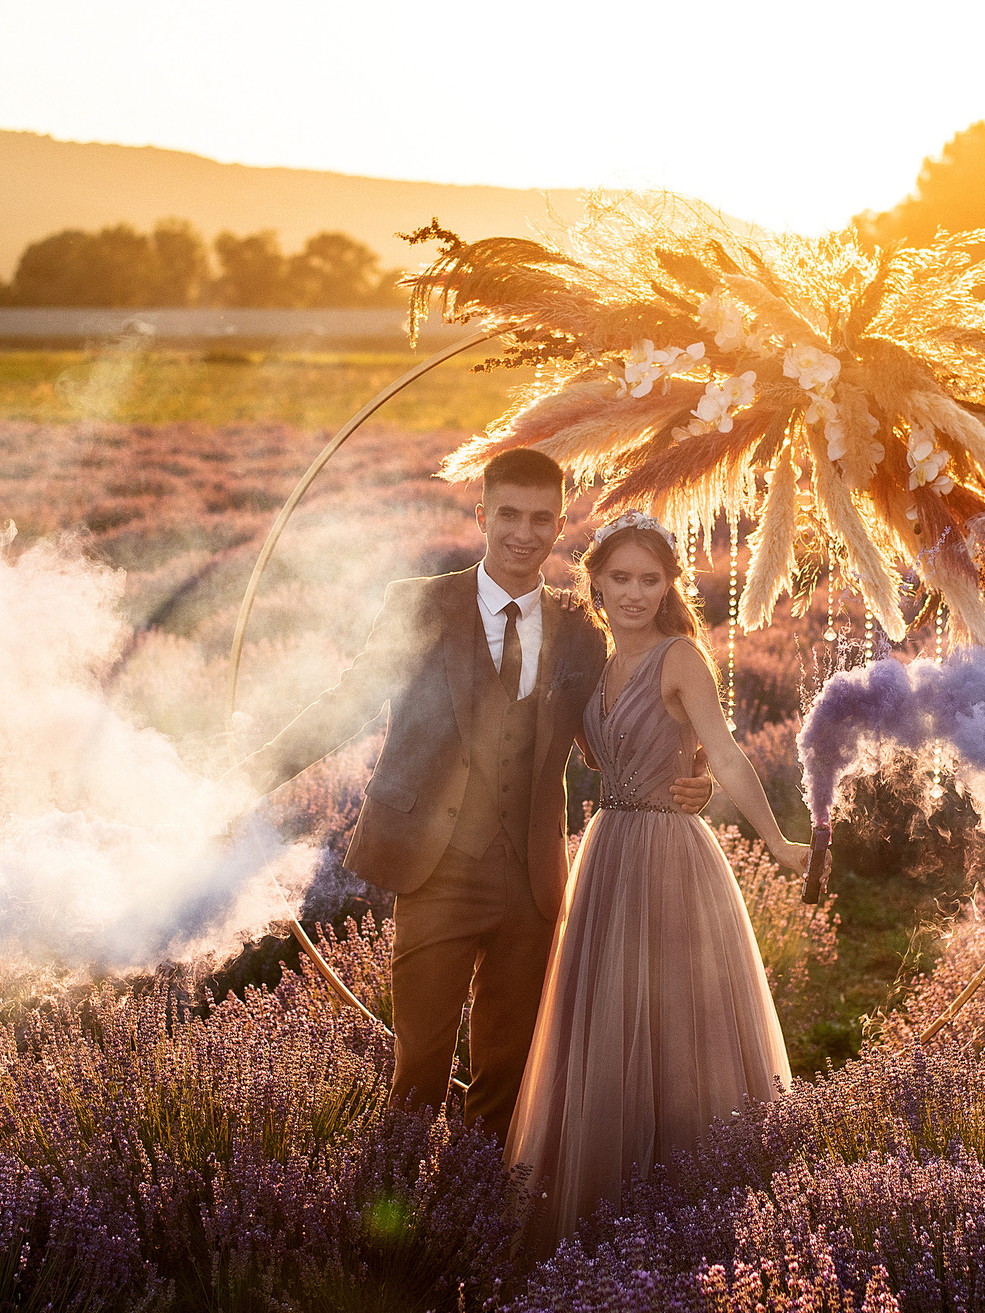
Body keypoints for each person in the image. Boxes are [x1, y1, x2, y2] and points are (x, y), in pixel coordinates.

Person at [239, 449, 712, 1139]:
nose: (525, 532)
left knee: (510, 1070)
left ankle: (485, 1219)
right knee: (420, 1063)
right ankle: (397, 1221)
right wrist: (251, 773)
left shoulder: (582, 629)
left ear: (558, 524)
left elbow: (613, 726)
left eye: (542, 518)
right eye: (510, 514)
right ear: (482, 513)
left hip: (531, 879)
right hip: (434, 871)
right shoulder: (420, 603)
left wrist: (691, 768)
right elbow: (349, 703)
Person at [504, 508, 810, 1245]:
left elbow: (727, 752)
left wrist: (777, 840)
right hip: (607, 850)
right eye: (620, 578)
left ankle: (697, 1206)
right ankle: (606, 1210)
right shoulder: (591, 662)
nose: (635, 592)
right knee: (606, 1016)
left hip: (671, 856)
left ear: (670, 585)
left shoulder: (681, 657)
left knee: (676, 1021)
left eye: (650, 579)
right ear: (597, 584)